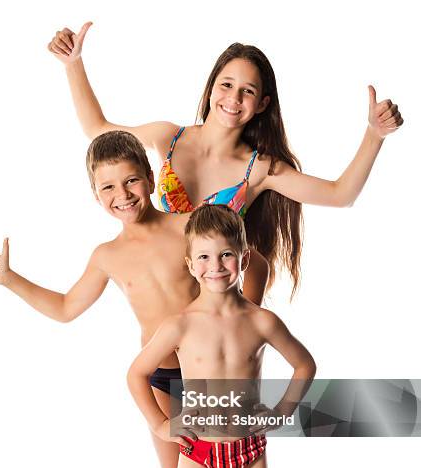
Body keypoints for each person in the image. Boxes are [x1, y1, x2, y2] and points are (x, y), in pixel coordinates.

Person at [0, 131, 253, 468]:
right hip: (161, 380)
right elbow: (66, 307)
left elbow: (257, 262)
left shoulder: (189, 226)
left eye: (131, 181)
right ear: (94, 194)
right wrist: (8, 279)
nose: (122, 195)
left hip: (211, 375)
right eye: (107, 188)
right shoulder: (107, 256)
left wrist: (244, 317)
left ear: (150, 179)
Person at [48, 22, 403, 300]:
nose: (233, 98)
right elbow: (98, 129)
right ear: (211, 87)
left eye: (247, 91)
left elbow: (341, 195)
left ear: (262, 104)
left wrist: (374, 135)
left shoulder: (260, 169)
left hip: (220, 309)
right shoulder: (168, 138)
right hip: (167, 302)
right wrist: (73, 64)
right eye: (226, 84)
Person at [127, 205, 317, 468]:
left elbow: (305, 364)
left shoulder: (262, 321)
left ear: (244, 259)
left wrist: (282, 410)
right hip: (198, 451)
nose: (217, 266)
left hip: (247, 450)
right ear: (191, 265)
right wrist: (161, 425)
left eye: (227, 255)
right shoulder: (179, 324)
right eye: (205, 257)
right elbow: (136, 374)